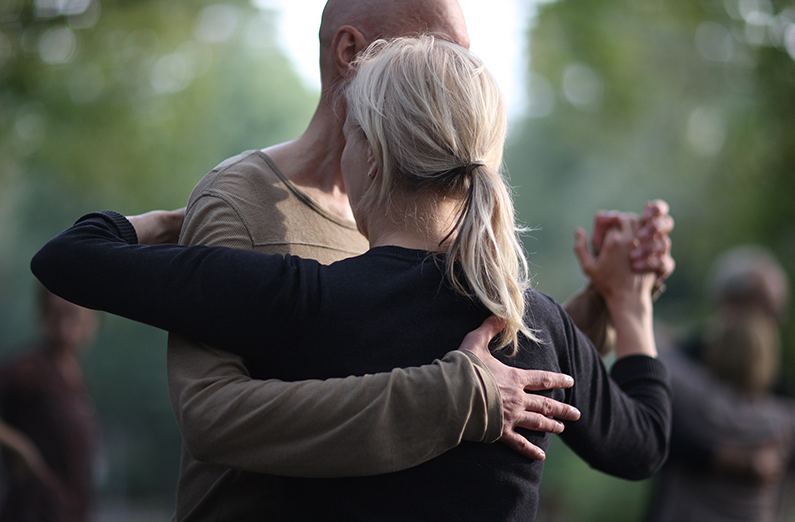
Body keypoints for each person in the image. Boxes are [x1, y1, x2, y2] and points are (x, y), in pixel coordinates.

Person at [31, 34, 671, 521]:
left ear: (369, 157)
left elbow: (68, 258)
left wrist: (171, 222)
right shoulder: (531, 322)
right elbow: (642, 444)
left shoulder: (301, 301)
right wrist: (629, 304)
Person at [647, 245, 795, 521]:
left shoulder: (678, 372)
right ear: (730, 301)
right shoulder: (783, 415)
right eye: (767, 308)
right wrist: (736, 461)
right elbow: (653, 433)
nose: (776, 321)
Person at [0, 286, 100, 522]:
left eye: (73, 314)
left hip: (70, 510)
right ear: (44, 316)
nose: (66, 325)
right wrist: (20, 448)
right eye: (57, 314)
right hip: (33, 510)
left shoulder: (74, 376)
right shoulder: (27, 370)